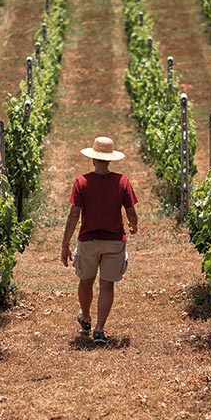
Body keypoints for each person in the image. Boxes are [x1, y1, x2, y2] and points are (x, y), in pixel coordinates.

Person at [61, 136, 138, 343]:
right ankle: (99, 330)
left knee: (86, 281)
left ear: (93, 159)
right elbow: (130, 210)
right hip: (114, 241)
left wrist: (65, 243)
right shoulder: (122, 182)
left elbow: (74, 215)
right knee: (107, 285)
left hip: (88, 241)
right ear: (110, 160)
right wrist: (134, 225)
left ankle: (85, 318)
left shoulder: (82, 182)